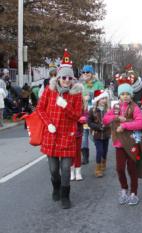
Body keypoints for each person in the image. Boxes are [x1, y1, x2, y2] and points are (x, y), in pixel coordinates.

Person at [36, 49, 83, 209]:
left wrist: (66, 106)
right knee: (54, 169)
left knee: (65, 169)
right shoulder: (50, 91)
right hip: (51, 134)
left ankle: (65, 196)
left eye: (69, 78)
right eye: (63, 77)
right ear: (58, 77)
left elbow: (77, 116)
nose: (66, 80)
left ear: (72, 79)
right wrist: (48, 123)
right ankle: (55, 187)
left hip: (67, 136)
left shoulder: (76, 94)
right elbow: (40, 109)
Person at [103, 81, 142, 206]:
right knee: (120, 169)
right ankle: (124, 189)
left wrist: (125, 125)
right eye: (123, 94)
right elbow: (105, 120)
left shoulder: (135, 108)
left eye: (128, 94)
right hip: (119, 144)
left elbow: (141, 123)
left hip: (132, 143)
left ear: (131, 95)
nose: (125, 96)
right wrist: (116, 118)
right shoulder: (115, 107)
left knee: (132, 169)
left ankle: (134, 193)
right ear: (119, 96)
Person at [80, 65, 104, 165]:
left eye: (88, 72)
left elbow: (103, 96)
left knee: (94, 134)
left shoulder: (98, 84)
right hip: (84, 112)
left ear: (92, 73)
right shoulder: (81, 85)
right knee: (84, 134)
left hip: (95, 112)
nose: (85, 74)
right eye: (84, 72)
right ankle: (85, 157)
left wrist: (90, 95)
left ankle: (101, 152)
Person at [88, 90, 111, 177]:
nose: (104, 100)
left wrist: (108, 124)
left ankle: (103, 162)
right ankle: (98, 169)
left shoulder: (108, 110)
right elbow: (89, 122)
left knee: (105, 151)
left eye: (105, 98)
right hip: (97, 135)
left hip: (106, 134)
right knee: (99, 151)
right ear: (98, 100)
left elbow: (111, 120)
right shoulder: (92, 110)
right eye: (102, 99)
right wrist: (98, 127)